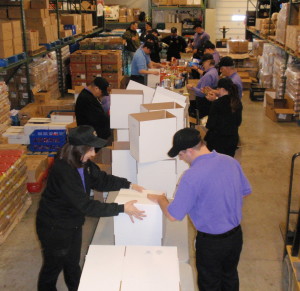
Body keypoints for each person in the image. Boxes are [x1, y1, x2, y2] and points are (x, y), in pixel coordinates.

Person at [36, 125, 146, 291]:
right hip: (55, 227)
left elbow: (101, 180)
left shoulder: (83, 163)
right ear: (79, 149)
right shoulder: (63, 170)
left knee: (72, 263)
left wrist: (128, 184)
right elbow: (86, 206)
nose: (94, 153)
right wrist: (121, 208)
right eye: (91, 149)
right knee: (53, 266)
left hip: (72, 222)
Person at [148, 127, 252, 291]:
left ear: (189, 151)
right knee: (230, 276)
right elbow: (245, 192)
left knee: (210, 284)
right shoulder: (230, 161)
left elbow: (173, 215)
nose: (182, 159)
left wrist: (161, 198)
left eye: (181, 155)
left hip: (211, 243)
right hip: (235, 237)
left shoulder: (191, 176)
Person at [205, 78, 243, 157]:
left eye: (218, 89)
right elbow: (238, 122)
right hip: (232, 140)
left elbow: (210, 125)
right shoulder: (237, 102)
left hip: (217, 141)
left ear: (222, 89)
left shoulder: (217, 104)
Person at [186, 54, 219, 119]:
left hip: (204, 102)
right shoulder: (214, 71)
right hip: (208, 102)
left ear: (208, 62)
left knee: (201, 118)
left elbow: (202, 93)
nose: (203, 65)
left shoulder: (208, 75)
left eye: (203, 63)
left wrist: (192, 87)